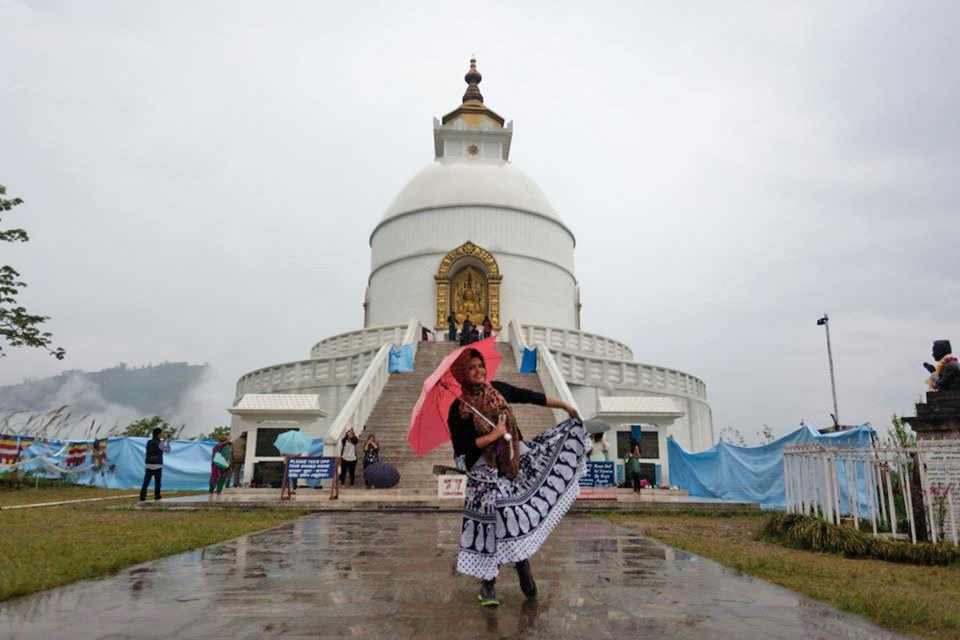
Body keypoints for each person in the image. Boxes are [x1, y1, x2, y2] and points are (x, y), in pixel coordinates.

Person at [448, 348, 588, 607]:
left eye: (480, 366)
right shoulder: (459, 409)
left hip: (512, 461)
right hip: (482, 472)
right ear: (462, 374)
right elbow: (463, 446)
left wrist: (565, 405)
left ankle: (522, 566)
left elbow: (530, 396)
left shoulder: (497, 390)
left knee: (514, 516)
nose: (478, 371)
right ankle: (489, 583)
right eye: (471, 368)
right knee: (496, 519)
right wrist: (494, 434)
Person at [139, 427, 171, 501]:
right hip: (157, 464)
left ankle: (142, 496)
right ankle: (157, 496)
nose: (162, 435)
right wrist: (168, 443)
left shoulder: (149, 442)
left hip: (148, 464)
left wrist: (164, 441)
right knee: (157, 482)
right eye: (161, 433)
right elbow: (167, 450)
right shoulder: (160, 443)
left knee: (146, 482)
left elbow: (157, 445)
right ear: (159, 434)